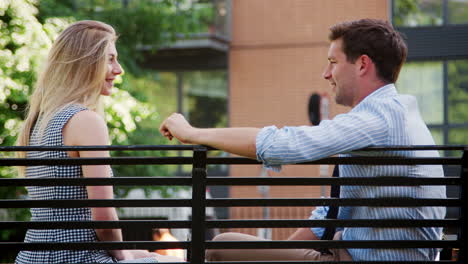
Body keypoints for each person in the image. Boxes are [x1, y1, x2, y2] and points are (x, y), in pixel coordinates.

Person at [159, 18, 446, 262]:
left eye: (333, 62)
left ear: (362, 64)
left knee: (221, 247)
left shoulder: (379, 118)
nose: (326, 73)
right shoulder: (394, 113)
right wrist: (280, 253)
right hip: (355, 250)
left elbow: (284, 144)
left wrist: (193, 133)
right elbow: (331, 212)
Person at [15, 20, 183, 263]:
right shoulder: (85, 121)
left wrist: (133, 254)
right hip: (78, 259)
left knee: (152, 256)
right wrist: (123, 254)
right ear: (86, 64)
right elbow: (103, 217)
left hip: (33, 257)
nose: (119, 69)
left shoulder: (38, 121)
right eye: (110, 59)